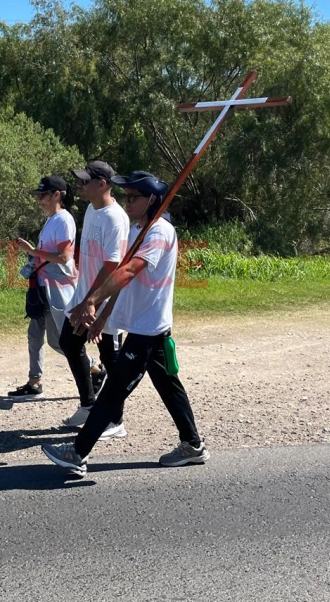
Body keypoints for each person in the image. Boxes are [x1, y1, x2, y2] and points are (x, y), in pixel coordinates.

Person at [42, 170, 209, 477]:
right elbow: (124, 281)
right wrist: (105, 316)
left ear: (152, 200)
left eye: (134, 197)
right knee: (169, 387)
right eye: (127, 196)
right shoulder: (138, 230)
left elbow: (129, 271)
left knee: (113, 389)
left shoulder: (159, 234)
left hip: (148, 330)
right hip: (147, 329)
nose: (128, 202)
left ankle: (77, 453)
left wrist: (92, 301)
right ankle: (193, 445)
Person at [58, 160, 130, 433]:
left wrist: (93, 301)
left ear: (103, 184)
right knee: (69, 342)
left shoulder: (116, 218)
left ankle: (116, 420)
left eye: (86, 181)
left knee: (111, 358)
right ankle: (89, 405)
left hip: (104, 298)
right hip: (84, 295)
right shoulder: (91, 209)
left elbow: (113, 265)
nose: (80, 185)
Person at [8, 176, 78, 399]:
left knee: (60, 341)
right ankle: (34, 382)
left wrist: (33, 251)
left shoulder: (63, 220)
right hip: (42, 285)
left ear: (57, 194)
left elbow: (64, 257)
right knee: (35, 334)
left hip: (57, 288)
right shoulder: (52, 219)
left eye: (43, 195)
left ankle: (94, 369)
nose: (39, 200)